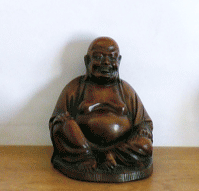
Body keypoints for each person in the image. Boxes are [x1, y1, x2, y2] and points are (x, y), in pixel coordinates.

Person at [49, 37, 153, 182]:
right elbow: (57, 120)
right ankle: (87, 158)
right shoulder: (75, 88)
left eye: (112, 58)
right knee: (63, 126)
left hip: (120, 149)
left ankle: (111, 157)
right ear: (87, 61)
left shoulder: (126, 91)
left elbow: (144, 121)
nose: (106, 62)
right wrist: (62, 123)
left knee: (145, 145)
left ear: (119, 61)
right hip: (83, 146)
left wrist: (144, 129)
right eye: (98, 57)